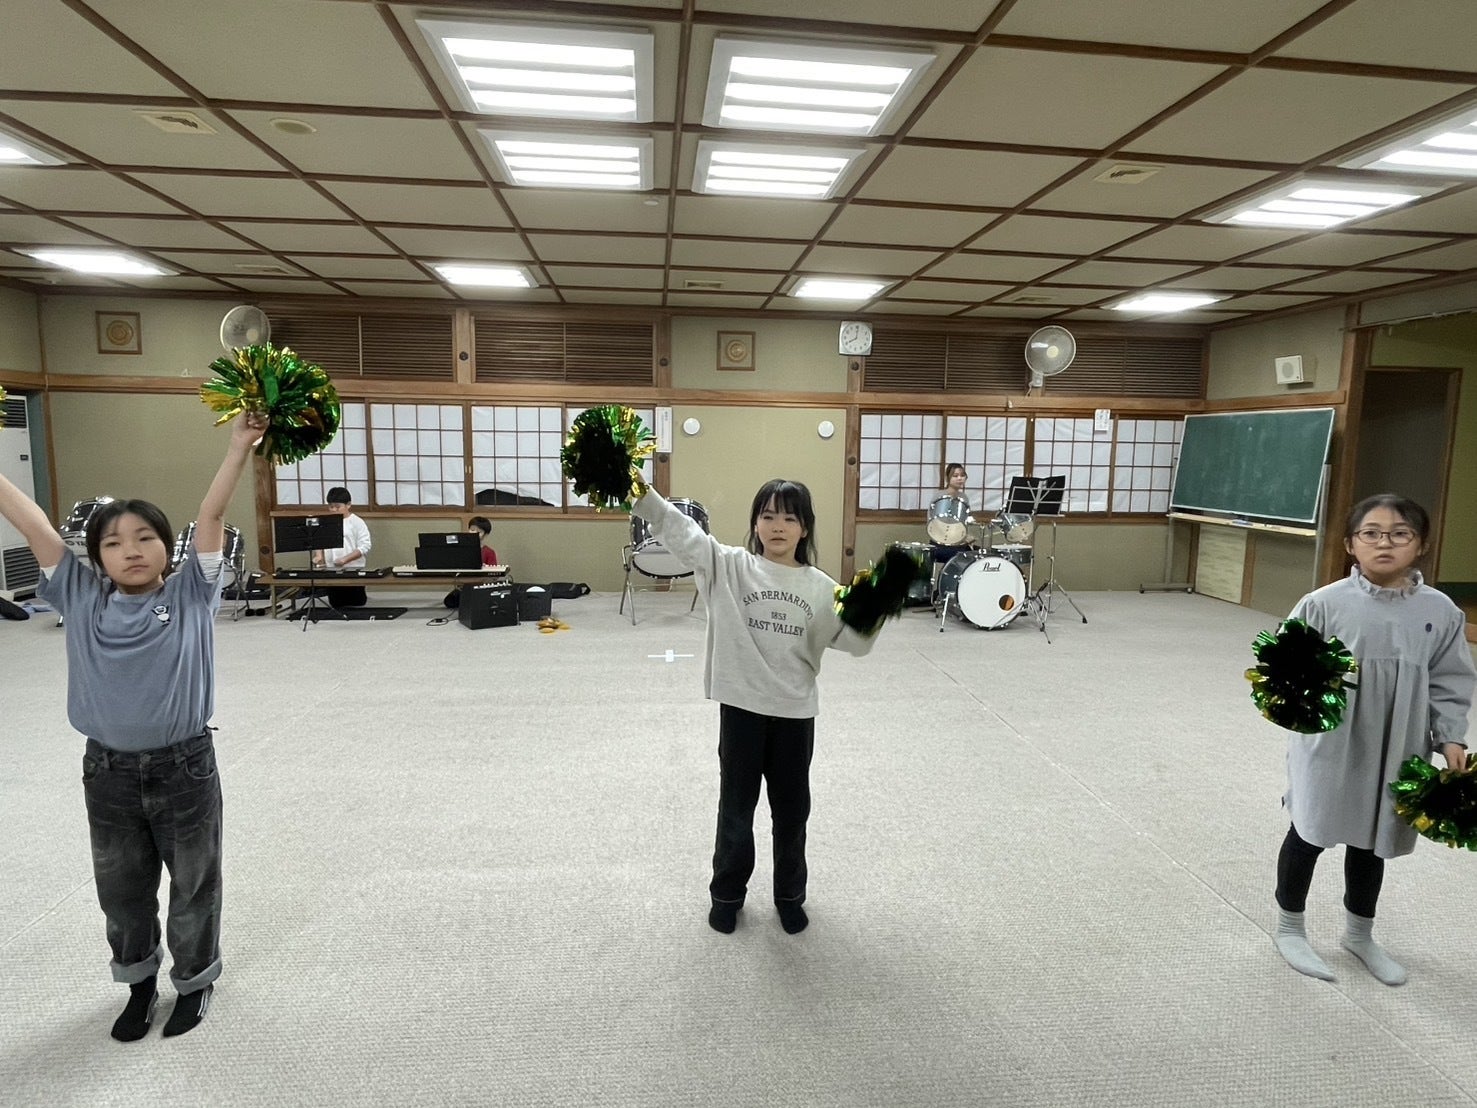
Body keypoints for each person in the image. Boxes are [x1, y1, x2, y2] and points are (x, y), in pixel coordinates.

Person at [0, 411, 268, 1041]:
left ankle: (195, 982)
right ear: (96, 557)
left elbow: (210, 515)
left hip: (185, 767)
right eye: (114, 543)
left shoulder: (190, 594)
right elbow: (32, 523)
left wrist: (238, 446)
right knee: (121, 889)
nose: (132, 550)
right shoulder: (80, 597)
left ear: (167, 547)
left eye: (145, 537)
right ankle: (139, 982)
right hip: (108, 772)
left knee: (194, 883)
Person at [632, 479, 880, 936]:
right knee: (735, 809)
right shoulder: (728, 566)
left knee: (792, 814)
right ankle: (727, 896)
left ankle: (789, 897)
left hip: (794, 714)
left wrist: (878, 603)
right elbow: (680, 529)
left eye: (789, 517)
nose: (777, 526)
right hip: (742, 710)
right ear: (755, 524)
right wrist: (637, 491)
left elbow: (856, 642)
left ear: (805, 528)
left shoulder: (822, 587)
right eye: (767, 516)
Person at [1272, 493, 1473, 986]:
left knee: (1374, 839)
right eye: (1372, 533)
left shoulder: (1440, 611)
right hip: (1331, 742)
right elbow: (1284, 667)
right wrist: (1298, 707)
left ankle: (1359, 934)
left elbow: (1450, 678)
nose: (1385, 543)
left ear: (1421, 545)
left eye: (1400, 534)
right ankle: (1289, 927)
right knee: (1310, 829)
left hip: (1399, 739)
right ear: (1350, 544)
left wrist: (1451, 738)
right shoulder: (1324, 603)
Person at [312, 486, 372, 608]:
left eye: (337, 507)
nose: (334, 510)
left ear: (348, 505)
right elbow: (318, 541)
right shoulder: (325, 522)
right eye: (331, 507)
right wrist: (319, 556)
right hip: (331, 568)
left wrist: (345, 559)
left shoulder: (357, 522)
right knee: (336, 603)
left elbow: (365, 545)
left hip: (353, 567)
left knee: (357, 602)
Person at [927, 462, 974, 597]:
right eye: (955, 475)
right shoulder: (939, 497)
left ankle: (961, 592)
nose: (960, 478)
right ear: (948, 478)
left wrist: (967, 537)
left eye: (962, 475)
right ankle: (943, 591)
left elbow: (963, 524)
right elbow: (932, 523)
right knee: (960, 556)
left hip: (958, 543)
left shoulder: (964, 498)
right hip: (940, 543)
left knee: (977, 554)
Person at [443, 516, 499, 608]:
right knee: (450, 602)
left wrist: (485, 568)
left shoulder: (489, 552)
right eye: (472, 530)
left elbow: (494, 575)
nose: (474, 533)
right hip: (464, 585)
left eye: (479, 532)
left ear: (485, 534)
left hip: (481, 585)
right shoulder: (461, 550)